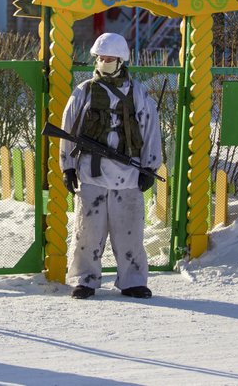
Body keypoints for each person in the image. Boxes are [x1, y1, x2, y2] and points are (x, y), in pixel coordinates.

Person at [60, 33, 162, 299]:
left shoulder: (138, 93)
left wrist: (150, 168)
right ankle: (85, 280)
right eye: (101, 58)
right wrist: (68, 167)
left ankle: (133, 281)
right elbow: (68, 129)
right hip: (91, 173)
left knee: (130, 233)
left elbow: (150, 130)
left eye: (109, 58)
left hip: (128, 176)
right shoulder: (83, 92)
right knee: (87, 232)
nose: (104, 62)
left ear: (121, 60)